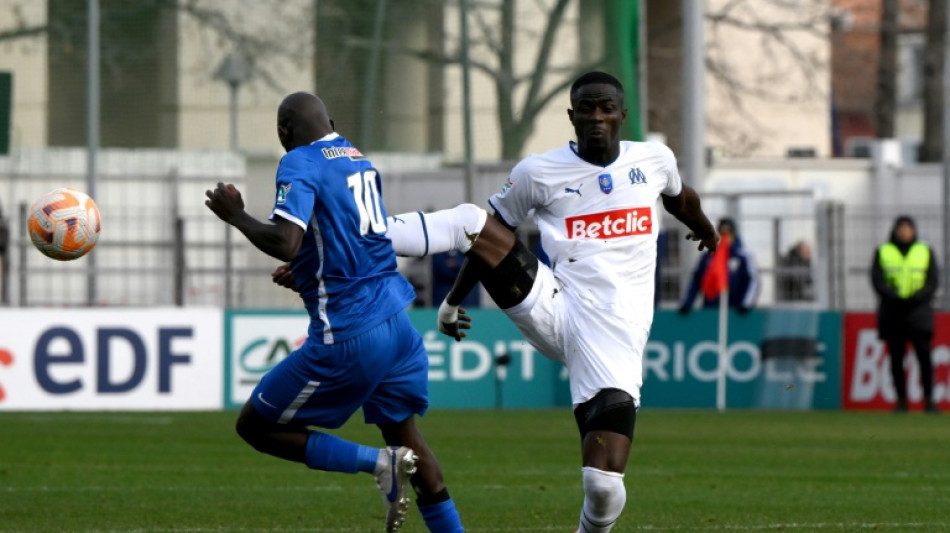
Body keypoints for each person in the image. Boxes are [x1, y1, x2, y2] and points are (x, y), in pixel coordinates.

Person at [377, 71, 719, 533]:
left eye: (604, 107)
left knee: (602, 485)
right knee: (472, 221)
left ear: (622, 114)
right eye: (586, 108)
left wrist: (706, 227)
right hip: (555, 304)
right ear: (571, 116)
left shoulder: (654, 160)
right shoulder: (537, 172)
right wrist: (452, 302)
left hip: (615, 333)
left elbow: (681, 199)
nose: (596, 117)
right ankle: (359, 235)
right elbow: (490, 237)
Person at [205, 92, 465, 533]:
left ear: (284, 132)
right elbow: (359, 241)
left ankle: (378, 465)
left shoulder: (299, 161)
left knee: (255, 426)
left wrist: (237, 215)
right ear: (332, 120)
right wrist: (307, 269)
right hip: (398, 327)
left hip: (348, 332)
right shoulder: (359, 160)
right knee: (409, 441)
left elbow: (285, 240)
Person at [871, 215, 940, 414]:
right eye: (901, 228)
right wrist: (894, 297)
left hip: (919, 313)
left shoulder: (924, 251)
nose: (904, 232)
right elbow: (877, 280)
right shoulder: (884, 251)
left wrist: (916, 298)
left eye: (908, 228)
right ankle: (901, 401)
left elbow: (932, 281)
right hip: (893, 313)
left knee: (924, 358)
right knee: (896, 360)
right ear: (895, 230)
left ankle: (929, 400)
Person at [678, 217, 759, 314]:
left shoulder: (743, 256)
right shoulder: (708, 256)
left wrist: (746, 304)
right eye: (721, 234)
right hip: (710, 310)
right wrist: (687, 303)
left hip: (735, 312)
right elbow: (697, 280)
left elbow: (752, 281)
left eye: (727, 234)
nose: (725, 238)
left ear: (733, 234)